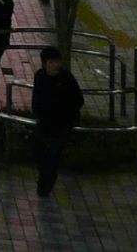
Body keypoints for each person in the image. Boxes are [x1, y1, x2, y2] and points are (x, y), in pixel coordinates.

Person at [31, 45, 85, 197]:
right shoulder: (40, 76)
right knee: (39, 153)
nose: (54, 65)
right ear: (44, 63)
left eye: (57, 62)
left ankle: (45, 185)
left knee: (53, 156)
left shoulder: (66, 78)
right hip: (44, 122)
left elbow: (78, 99)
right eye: (51, 62)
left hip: (62, 124)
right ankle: (43, 181)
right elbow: (36, 98)